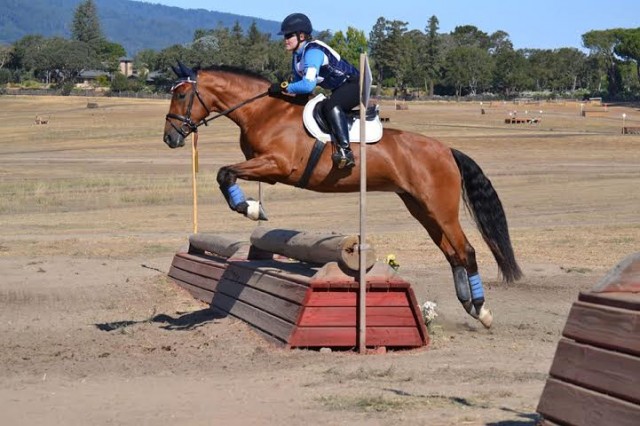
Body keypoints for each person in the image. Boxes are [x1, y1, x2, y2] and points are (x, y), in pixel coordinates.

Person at [269, 13, 360, 169]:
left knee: (330, 106)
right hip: (339, 88)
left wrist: (284, 86)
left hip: (355, 85)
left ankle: (346, 152)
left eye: (289, 35)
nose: (285, 39)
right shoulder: (297, 56)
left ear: (302, 36)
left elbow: (307, 86)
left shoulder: (312, 52)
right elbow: (299, 87)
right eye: (284, 35)